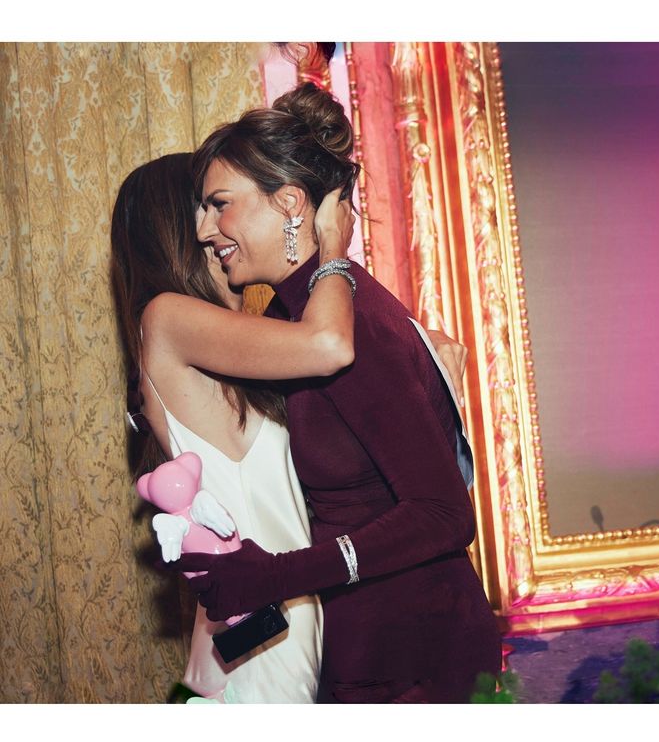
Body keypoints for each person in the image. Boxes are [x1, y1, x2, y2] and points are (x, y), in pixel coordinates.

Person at [178, 82, 502, 703]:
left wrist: (276, 575)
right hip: (372, 638)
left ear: (290, 202)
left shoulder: (350, 325)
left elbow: (444, 513)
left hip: (415, 652)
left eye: (220, 205)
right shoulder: (295, 318)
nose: (206, 230)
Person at [111, 151, 470, 703]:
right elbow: (329, 346)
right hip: (269, 625)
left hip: (299, 606)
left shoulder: (243, 338)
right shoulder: (167, 318)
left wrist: (435, 385)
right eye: (205, 208)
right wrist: (332, 251)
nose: (214, 227)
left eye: (220, 206)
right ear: (177, 229)